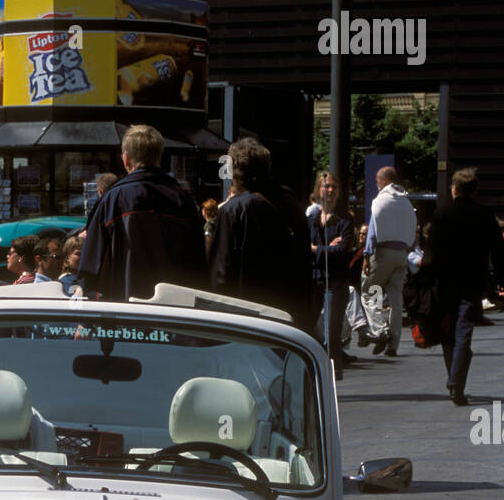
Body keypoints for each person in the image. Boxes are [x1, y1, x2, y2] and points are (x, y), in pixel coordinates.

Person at [78, 124, 206, 301]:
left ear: (126, 159)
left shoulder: (113, 199)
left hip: (125, 314)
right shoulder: (183, 200)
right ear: (159, 157)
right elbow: (198, 266)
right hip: (175, 314)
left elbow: (92, 268)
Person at [208, 137, 312, 328]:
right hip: (288, 316)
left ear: (235, 172)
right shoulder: (291, 202)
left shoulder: (233, 210)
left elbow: (220, 275)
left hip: (248, 319)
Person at [424, 166, 504, 405]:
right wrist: (501, 280)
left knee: (448, 333)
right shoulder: (485, 215)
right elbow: (498, 252)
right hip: (472, 282)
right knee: (463, 332)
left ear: (454, 188)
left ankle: (454, 379)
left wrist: (423, 280)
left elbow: (431, 252)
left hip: (444, 282)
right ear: (474, 190)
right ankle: (456, 383)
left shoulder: (442, 214)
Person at [361, 167, 417, 358]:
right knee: (395, 300)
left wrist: (367, 255)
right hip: (402, 253)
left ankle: (380, 329)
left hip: (383, 252)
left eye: (378, 180)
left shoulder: (381, 201)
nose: (377, 184)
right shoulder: (406, 203)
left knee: (371, 292)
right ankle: (393, 344)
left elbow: (373, 231)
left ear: (384, 180)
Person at [309, 171, 355, 375]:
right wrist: (328, 247)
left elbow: (343, 251)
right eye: (325, 186)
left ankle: (333, 376)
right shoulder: (311, 219)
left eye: (333, 187)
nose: (329, 190)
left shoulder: (344, 220)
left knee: (331, 335)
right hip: (313, 281)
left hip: (334, 282)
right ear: (318, 189)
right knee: (306, 327)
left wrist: (316, 249)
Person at [348, 222, 388, 354]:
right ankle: (376, 333)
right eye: (360, 233)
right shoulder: (357, 250)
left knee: (371, 303)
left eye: (364, 234)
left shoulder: (365, 252)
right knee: (372, 305)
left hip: (365, 284)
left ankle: (380, 332)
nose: (361, 236)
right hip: (368, 285)